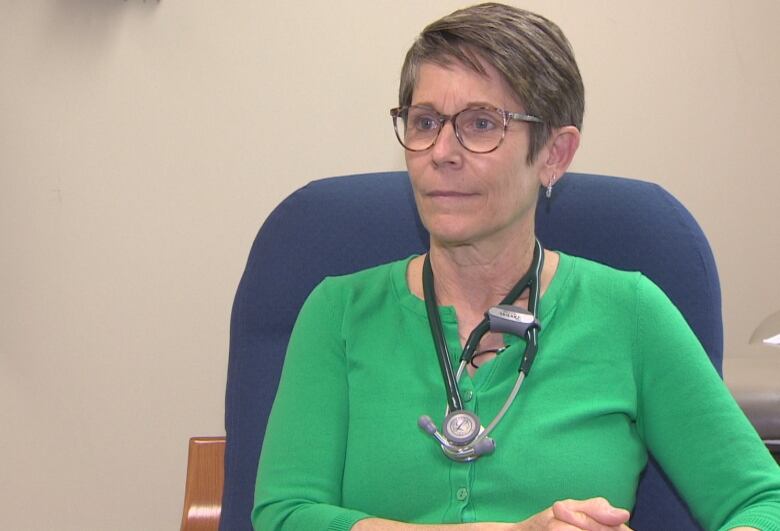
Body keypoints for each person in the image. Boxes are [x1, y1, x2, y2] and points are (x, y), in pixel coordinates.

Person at [252, 3, 780, 530]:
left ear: (555, 153)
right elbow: (284, 516)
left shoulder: (630, 313)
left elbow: (763, 503)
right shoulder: (338, 313)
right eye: (425, 122)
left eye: (482, 124)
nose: (442, 151)